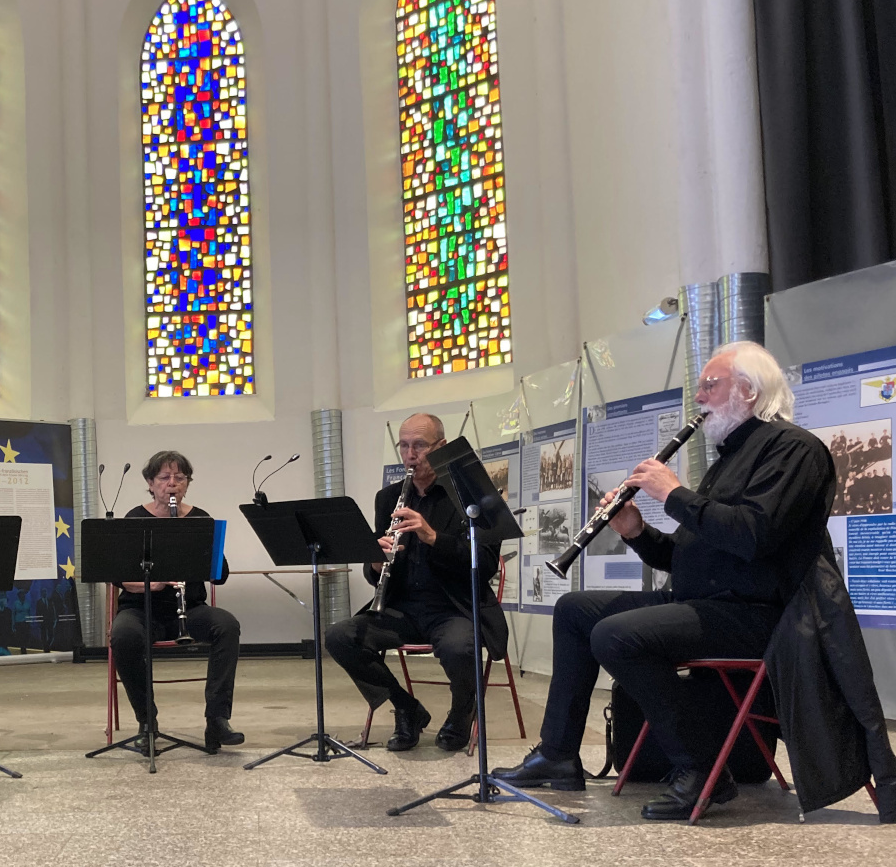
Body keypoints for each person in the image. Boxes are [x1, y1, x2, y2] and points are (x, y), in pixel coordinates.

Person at [495, 341, 837, 820]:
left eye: (710, 385)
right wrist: (635, 530)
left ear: (748, 390)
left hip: (759, 614)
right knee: (575, 611)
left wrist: (674, 494)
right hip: (706, 602)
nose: (699, 397)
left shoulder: (794, 449)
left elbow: (753, 535)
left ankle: (703, 769)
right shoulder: (730, 457)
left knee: (617, 635)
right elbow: (687, 557)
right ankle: (558, 754)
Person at [324, 413, 508, 752]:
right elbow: (376, 572)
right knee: (340, 636)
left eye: (420, 446)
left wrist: (432, 536)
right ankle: (406, 707)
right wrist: (376, 561)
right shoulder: (388, 498)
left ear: (441, 447)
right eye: (404, 446)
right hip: (402, 608)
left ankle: (461, 712)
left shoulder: (471, 496)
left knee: (458, 647)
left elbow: (484, 565)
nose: (410, 455)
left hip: (454, 608)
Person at [111, 450, 243, 753]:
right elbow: (119, 578)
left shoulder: (199, 519)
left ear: (187, 483)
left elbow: (219, 576)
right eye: (164, 477)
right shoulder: (135, 519)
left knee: (227, 625)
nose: (172, 483)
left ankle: (217, 719)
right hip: (141, 609)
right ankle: (147, 721)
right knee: (123, 635)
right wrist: (152, 584)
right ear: (150, 483)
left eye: (179, 477)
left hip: (189, 609)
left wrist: (205, 552)